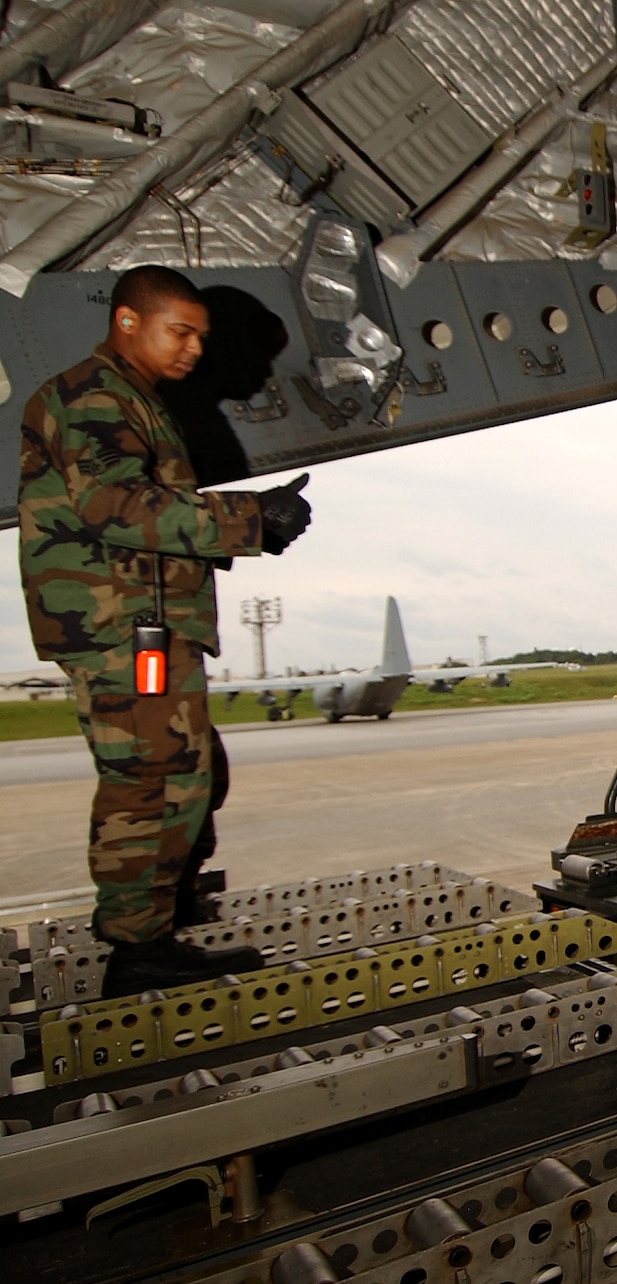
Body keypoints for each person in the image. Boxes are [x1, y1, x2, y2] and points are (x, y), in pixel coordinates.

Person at [17, 265, 314, 997]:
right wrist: (247, 519)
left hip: (136, 618)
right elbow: (113, 503)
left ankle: (158, 910)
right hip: (125, 625)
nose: (191, 350)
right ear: (127, 321)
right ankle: (138, 946)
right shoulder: (94, 395)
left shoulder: (132, 400)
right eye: (179, 332)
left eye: (199, 338)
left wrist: (249, 523)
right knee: (154, 778)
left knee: (188, 768)